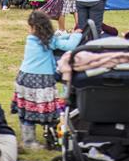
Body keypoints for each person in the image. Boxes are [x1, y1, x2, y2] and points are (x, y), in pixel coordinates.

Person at [11, 11, 81, 149]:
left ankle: (28, 139)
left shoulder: (32, 39)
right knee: (45, 109)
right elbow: (69, 46)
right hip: (40, 79)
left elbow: (58, 39)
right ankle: (49, 136)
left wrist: (69, 35)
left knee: (27, 109)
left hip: (24, 77)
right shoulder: (48, 40)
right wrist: (77, 34)